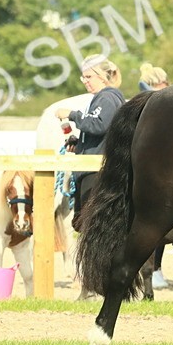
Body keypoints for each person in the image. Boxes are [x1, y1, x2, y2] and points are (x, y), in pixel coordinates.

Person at [56, 56, 127, 231]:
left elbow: (98, 124)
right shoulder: (104, 98)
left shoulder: (107, 98)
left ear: (102, 76)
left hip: (96, 171)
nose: (85, 82)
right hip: (92, 169)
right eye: (83, 77)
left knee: (91, 224)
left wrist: (72, 114)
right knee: (83, 223)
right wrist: (79, 143)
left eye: (89, 77)